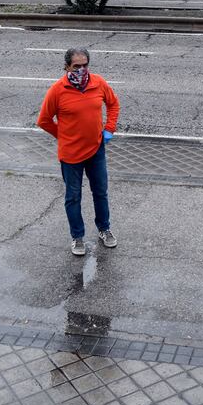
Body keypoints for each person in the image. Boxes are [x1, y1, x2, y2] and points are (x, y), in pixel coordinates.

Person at [37, 48, 121, 256]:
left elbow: (113, 104)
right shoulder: (57, 90)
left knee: (100, 192)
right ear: (67, 67)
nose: (81, 70)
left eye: (85, 65)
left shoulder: (98, 82)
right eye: (76, 66)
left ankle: (104, 229)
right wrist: (64, 136)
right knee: (73, 197)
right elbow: (44, 120)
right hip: (71, 154)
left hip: (96, 150)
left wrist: (109, 128)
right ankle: (77, 237)